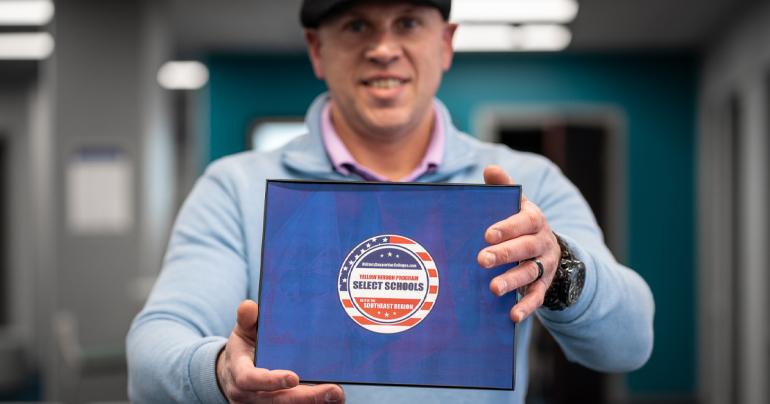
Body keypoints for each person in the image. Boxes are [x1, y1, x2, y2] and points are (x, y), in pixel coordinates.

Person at [126, 0, 655, 402]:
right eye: (357, 25)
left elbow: (629, 344)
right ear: (317, 49)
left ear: (445, 43)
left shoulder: (525, 183)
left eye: (407, 23)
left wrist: (560, 269)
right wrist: (220, 370)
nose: (383, 47)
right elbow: (153, 353)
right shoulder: (235, 187)